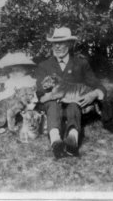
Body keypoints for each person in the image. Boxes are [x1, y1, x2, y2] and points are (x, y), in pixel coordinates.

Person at [36, 27, 106, 158]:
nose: (57, 47)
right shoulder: (44, 66)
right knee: (53, 104)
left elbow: (98, 86)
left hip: (75, 105)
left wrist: (94, 94)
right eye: (54, 44)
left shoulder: (81, 64)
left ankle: (72, 138)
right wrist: (50, 95)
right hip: (53, 105)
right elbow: (40, 92)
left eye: (61, 43)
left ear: (69, 44)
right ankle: (55, 140)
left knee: (74, 105)